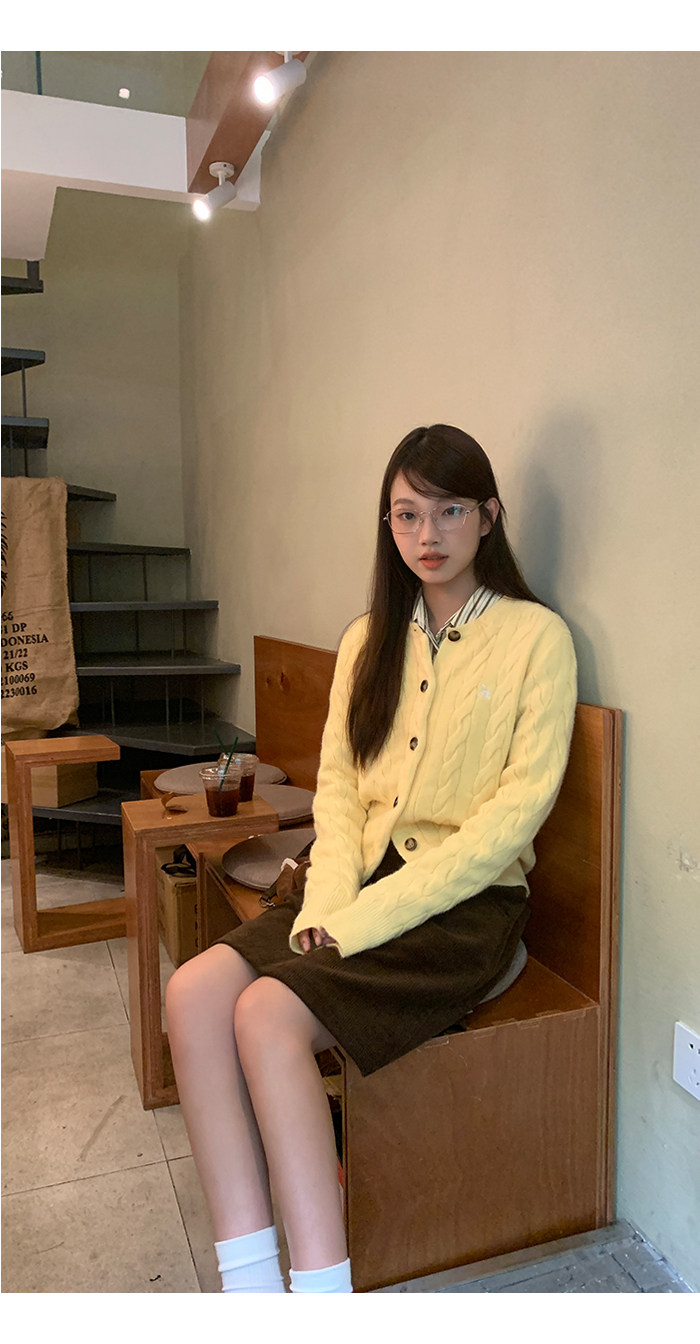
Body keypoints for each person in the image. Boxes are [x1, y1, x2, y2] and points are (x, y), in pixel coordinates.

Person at [165, 423, 578, 1295]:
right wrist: (326, 910)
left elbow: (507, 825)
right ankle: (250, 1287)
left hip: (467, 908)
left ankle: (322, 1296)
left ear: (489, 516)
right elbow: (341, 797)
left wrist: (357, 922)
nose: (428, 534)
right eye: (406, 514)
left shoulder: (537, 639)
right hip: (352, 885)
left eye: (450, 511)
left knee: (267, 1019)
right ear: (387, 524)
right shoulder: (369, 639)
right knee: (194, 995)